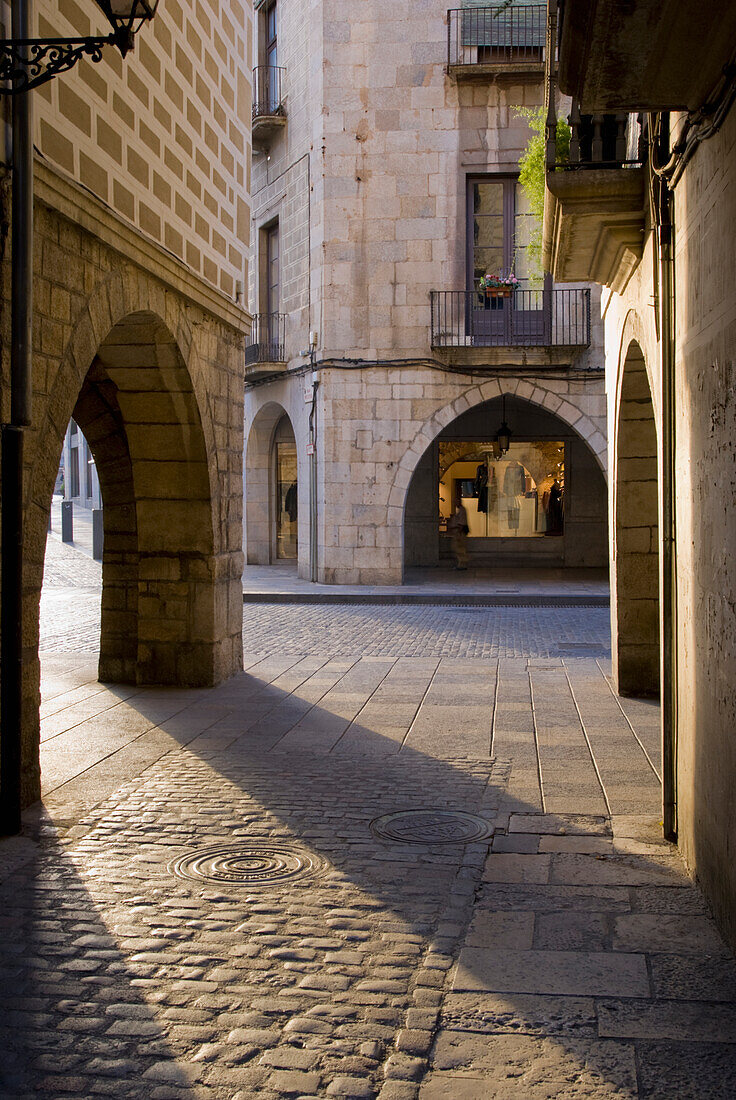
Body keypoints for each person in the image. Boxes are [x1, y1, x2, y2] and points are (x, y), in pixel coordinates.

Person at [447, 494, 469, 570]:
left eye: (455, 501)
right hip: (458, 532)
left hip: (460, 533)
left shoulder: (462, 510)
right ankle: (461, 563)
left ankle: (462, 564)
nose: (454, 503)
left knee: (460, 549)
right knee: (457, 548)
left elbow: (461, 523)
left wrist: (458, 533)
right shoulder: (460, 510)